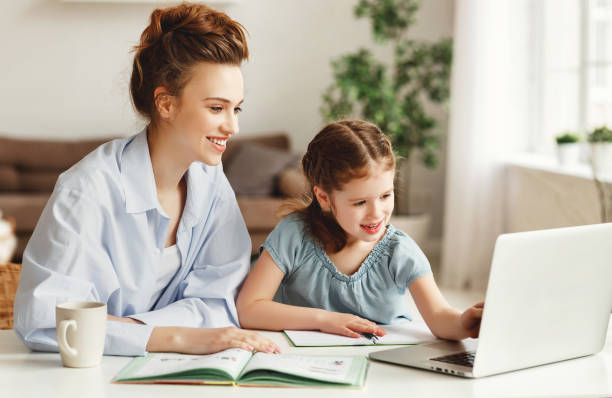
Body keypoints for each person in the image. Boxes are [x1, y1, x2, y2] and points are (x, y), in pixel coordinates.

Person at [14, 2, 280, 356]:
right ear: (165, 104)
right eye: (217, 108)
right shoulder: (87, 189)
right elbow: (47, 322)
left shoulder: (210, 181)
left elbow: (221, 301)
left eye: (236, 108)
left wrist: (129, 331)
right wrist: (176, 336)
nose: (233, 126)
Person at [237, 120, 483, 340]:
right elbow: (249, 308)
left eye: (386, 195)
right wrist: (327, 320)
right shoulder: (294, 234)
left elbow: (440, 316)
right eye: (360, 202)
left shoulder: (399, 250)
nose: (376, 213)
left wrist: (463, 323)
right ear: (324, 198)